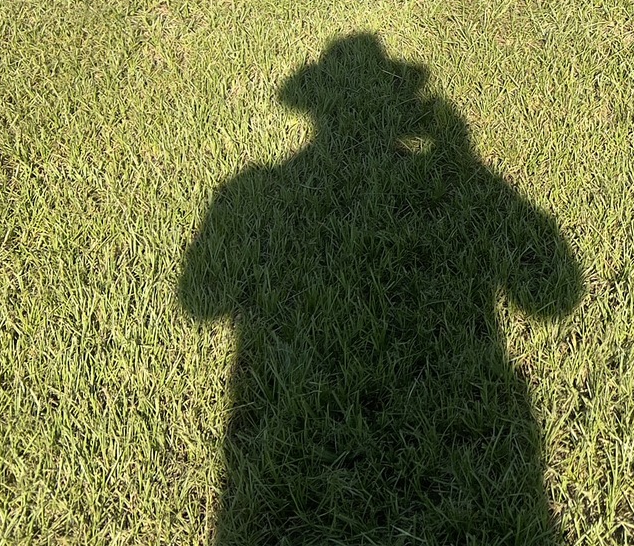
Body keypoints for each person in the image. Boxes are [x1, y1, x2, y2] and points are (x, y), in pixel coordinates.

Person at [181, 33, 582, 545]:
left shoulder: (253, 188)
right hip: (472, 426)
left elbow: (201, 300)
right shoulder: (454, 174)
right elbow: (554, 295)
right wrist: (460, 154)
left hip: (284, 439)